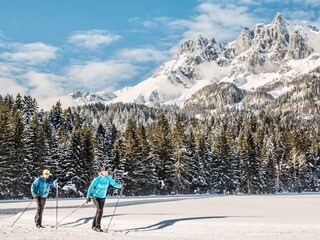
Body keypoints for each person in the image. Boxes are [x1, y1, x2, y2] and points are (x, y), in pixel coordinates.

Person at [86, 166, 122, 232]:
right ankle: (97, 226)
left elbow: (114, 184)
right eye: (104, 171)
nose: (106, 173)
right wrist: (88, 197)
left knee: (99, 211)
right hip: (95, 196)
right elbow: (91, 187)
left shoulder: (108, 178)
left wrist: (121, 186)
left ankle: (93, 225)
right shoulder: (97, 179)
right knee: (100, 210)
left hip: (103, 197)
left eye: (107, 172)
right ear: (101, 172)